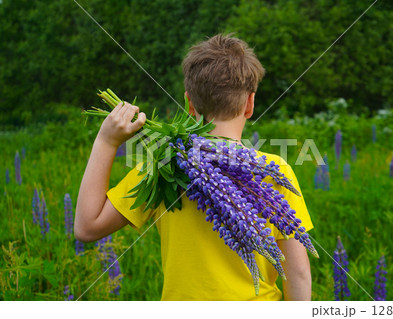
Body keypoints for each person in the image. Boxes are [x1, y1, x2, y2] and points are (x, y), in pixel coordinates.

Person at [75, 33, 314, 301]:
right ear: (250, 103)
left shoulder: (161, 165)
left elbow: (87, 228)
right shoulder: (274, 169)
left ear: (189, 103)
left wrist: (106, 141)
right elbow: (298, 272)